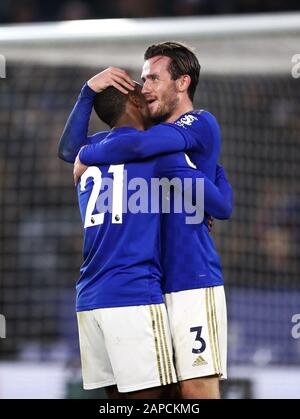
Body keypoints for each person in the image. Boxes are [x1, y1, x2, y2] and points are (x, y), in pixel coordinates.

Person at [70, 42, 233, 399]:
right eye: (142, 79)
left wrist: (87, 152)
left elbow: (221, 205)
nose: (144, 87)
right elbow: (115, 146)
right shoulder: (145, 137)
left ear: (182, 83)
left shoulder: (195, 123)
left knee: (195, 391)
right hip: (149, 285)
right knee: (162, 394)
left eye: (153, 78)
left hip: (191, 278)